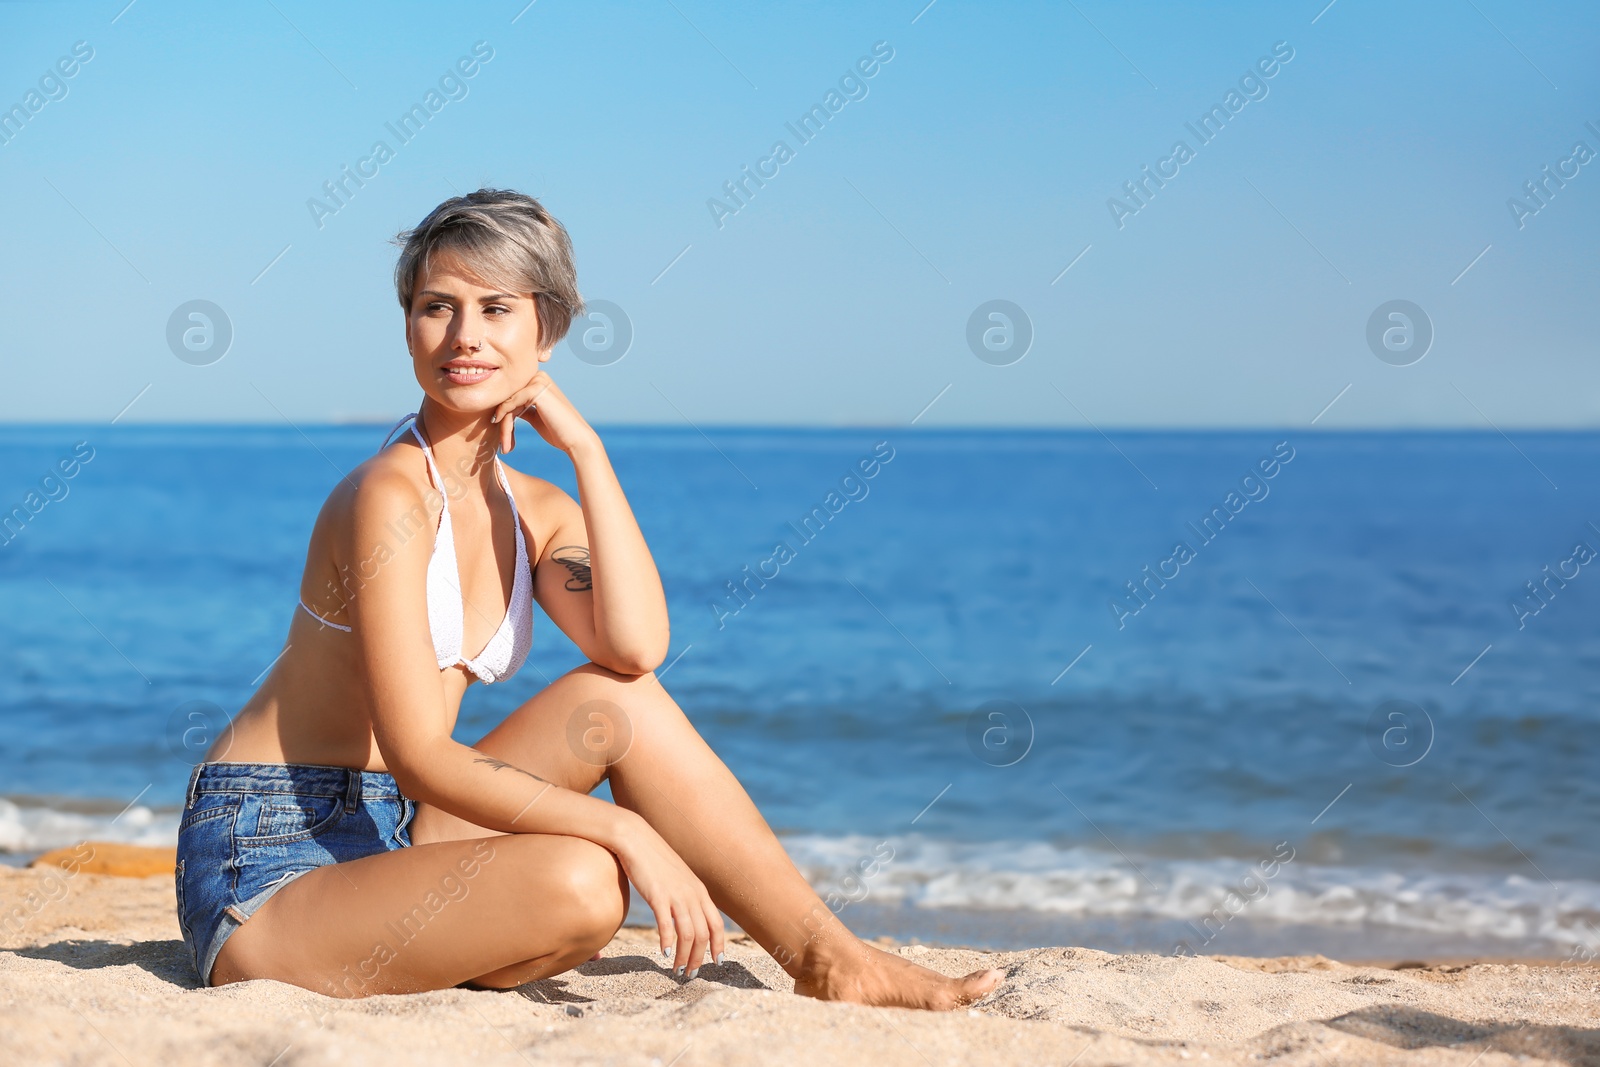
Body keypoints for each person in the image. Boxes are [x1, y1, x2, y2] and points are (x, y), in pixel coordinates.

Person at [174, 188, 1003, 1010]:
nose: (464, 336)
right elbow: (419, 748)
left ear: (549, 328)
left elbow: (635, 652)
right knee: (586, 880)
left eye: (497, 308)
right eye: (437, 307)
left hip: (395, 828)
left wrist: (587, 451)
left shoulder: (531, 507)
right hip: (270, 853)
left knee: (616, 705)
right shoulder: (388, 493)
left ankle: (827, 956)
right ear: (408, 326)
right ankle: (426, 933)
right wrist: (623, 827)